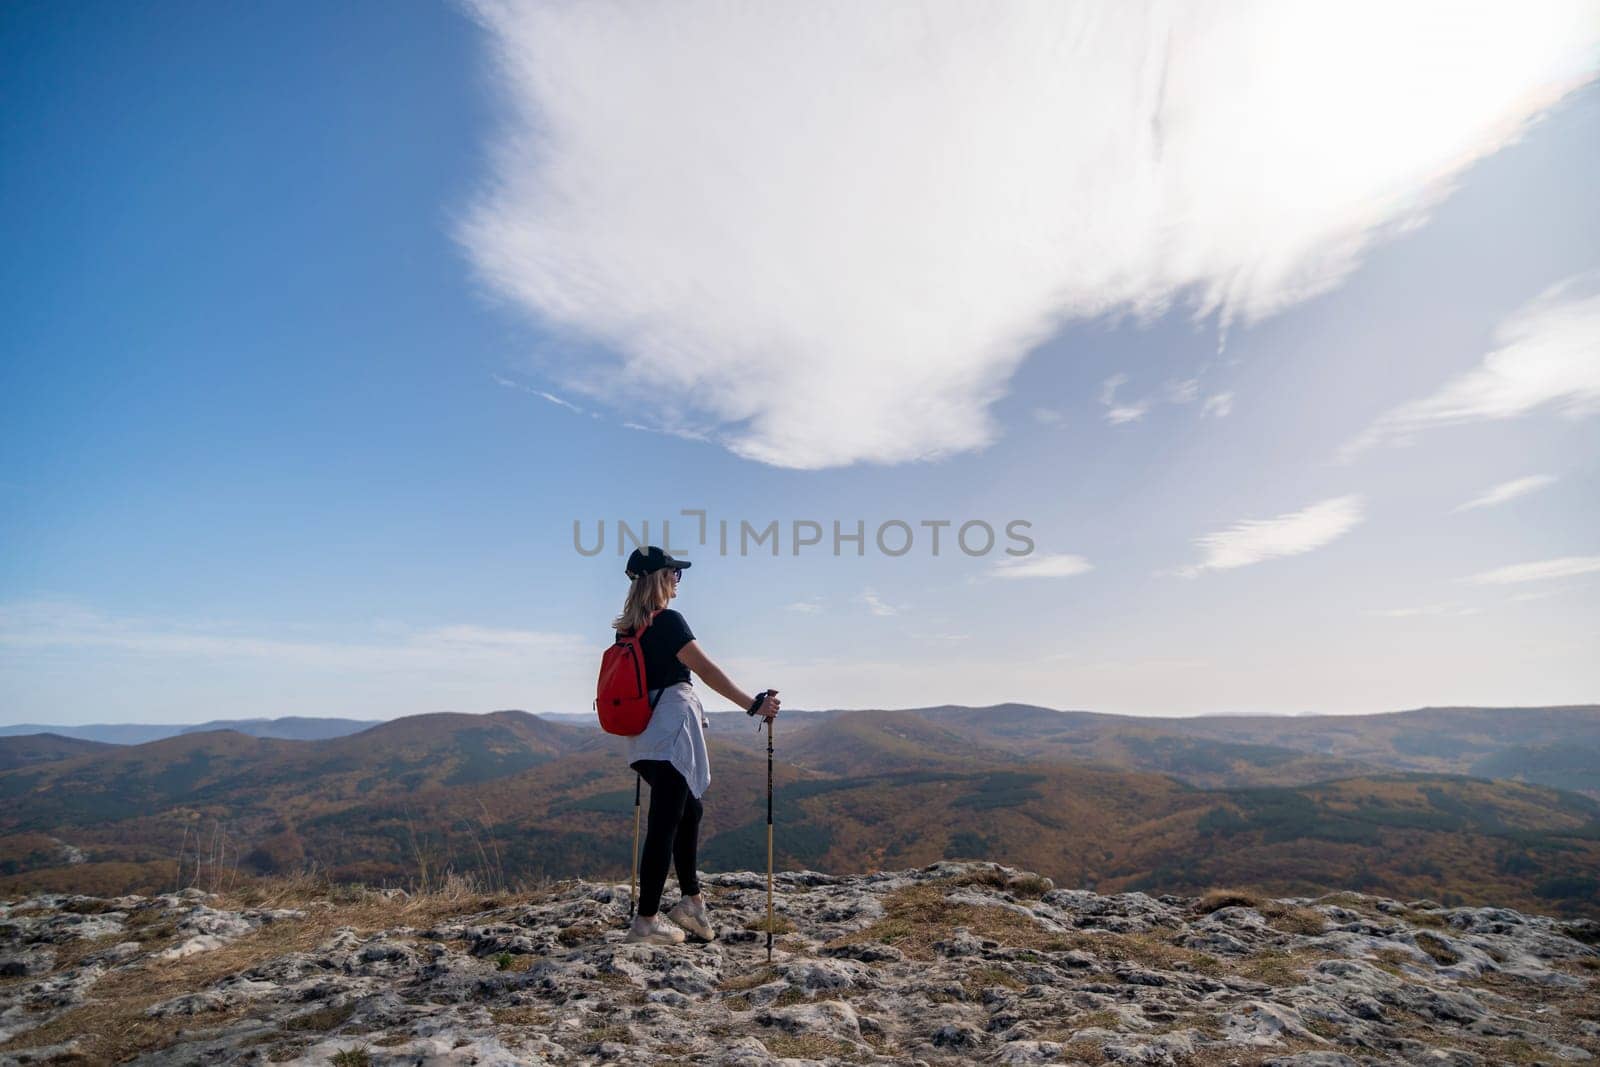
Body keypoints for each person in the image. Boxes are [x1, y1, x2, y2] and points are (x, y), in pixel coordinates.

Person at [615, 545, 780, 945]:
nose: (677, 580)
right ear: (661, 578)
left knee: (689, 810)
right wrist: (754, 705)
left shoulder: (628, 628)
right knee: (666, 822)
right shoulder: (668, 621)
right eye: (675, 573)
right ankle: (646, 922)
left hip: (642, 733)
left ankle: (691, 901)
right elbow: (706, 670)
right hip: (670, 733)